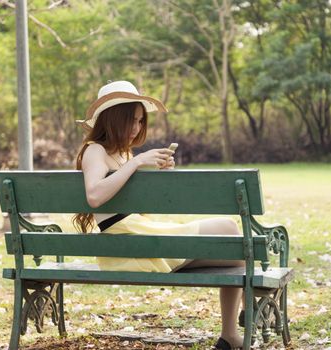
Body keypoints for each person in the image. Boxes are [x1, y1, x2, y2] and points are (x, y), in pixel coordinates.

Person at [72, 80, 244, 350]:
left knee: (235, 247)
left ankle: (231, 335)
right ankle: (245, 310)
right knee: (230, 231)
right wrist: (138, 162)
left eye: (141, 122)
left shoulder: (123, 154)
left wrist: (155, 177)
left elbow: (136, 209)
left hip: (138, 237)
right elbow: (94, 195)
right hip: (126, 243)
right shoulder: (96, 150)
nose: (137, 128)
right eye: (132, 120)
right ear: (113, 119)